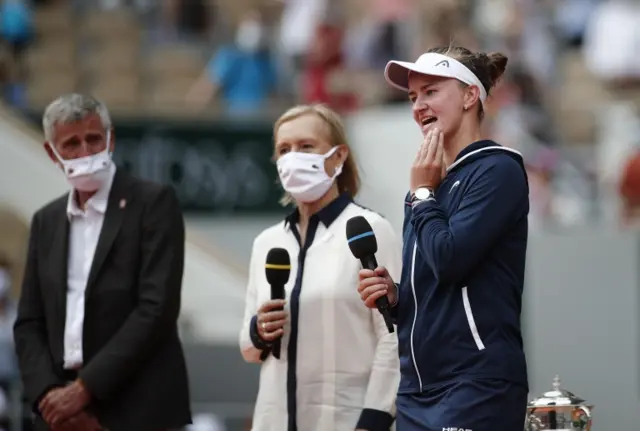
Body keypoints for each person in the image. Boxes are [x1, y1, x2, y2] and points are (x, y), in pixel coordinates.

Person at [357, 47, 530, 431]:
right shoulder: (428, 186)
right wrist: (398, 296)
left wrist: (421, 195)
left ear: (471, 96)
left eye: (431, 91)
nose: (419, 105)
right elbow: (440, 283)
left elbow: (450, 260)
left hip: (475, 385)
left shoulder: (498, 169)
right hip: (418, 391)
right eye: (413, 96)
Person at [13, 93, 191, 431]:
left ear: (111, 139)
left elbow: (156, 308)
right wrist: (50, 396)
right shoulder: (45, 221)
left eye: (94, 139)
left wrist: (85, 389)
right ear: (52, 153)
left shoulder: (154, 204)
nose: (85, 153)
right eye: (71, 144)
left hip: (137, 410)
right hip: (60, 415)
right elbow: (29, 323)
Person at [239, 104, 401, 431]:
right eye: (283, 149)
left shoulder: (369, 229)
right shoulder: (266, 243)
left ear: (338, 156)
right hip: (273, 419)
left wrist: (377, 415)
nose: (293, 157)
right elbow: (247, 346)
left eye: (306, 146)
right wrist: (259, 330)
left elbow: (394, 335)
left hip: (347, 418)